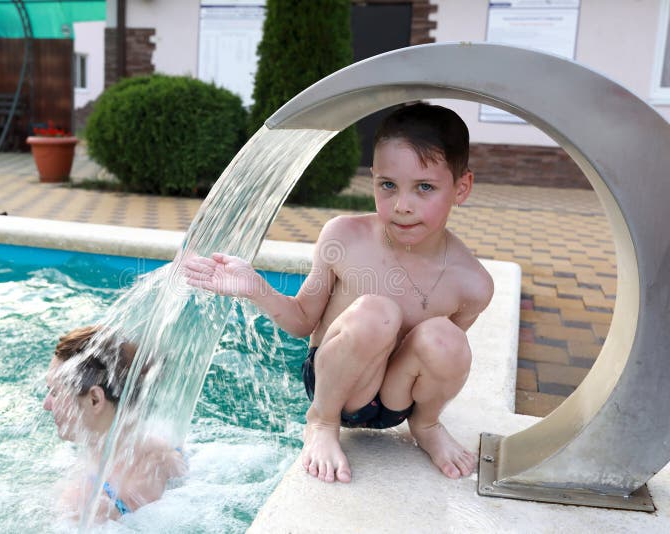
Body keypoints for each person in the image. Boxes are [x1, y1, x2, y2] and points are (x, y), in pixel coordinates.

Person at [184, 103, 493, 484]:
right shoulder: (344, 238)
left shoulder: (472, 283)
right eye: (387, 185)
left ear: (461, 188)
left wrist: (423, 407)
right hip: (338, 387)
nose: (402, 206)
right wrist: (254, 287)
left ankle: (427, 427)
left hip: (399, 399)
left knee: (447, 339)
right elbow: (302, 321)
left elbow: (443, 365)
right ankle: (321, 423)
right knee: (377, 313)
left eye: (424, 187)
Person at [43, 325, 186, 519]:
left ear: (95, 399)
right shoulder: (167, 455)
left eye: (55, 392)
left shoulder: (83, 503)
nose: (47, 404)